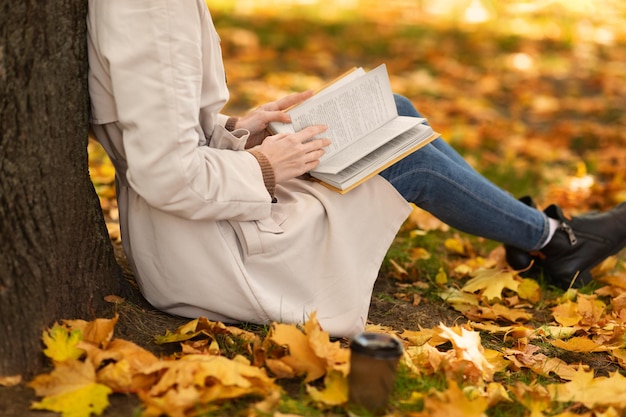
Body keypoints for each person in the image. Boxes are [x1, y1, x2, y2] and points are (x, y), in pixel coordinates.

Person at [87, 0, 626, 337]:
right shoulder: (151, 11)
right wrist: (266, 166)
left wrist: (245, 128)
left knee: (393, 111)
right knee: (404, 157)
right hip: (208, 252)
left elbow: (168, 132)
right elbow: (166, 174)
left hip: (208, 216)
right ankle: (556, 242)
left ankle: (547, 240)